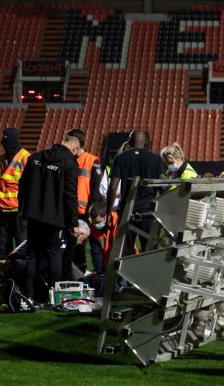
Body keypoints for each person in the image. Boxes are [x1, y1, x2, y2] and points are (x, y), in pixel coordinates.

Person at [17, 132, 82, 302]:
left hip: (32, 215)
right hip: (55, 218)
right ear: (74, 147)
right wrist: (73, 222)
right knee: (54, 255)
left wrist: (22, 208)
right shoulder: (69, 164)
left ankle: (29, 294)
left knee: (32, 254)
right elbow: (70, 195)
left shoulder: (36, 157)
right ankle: (53, 295)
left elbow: (22, 184)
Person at [106, 130, 166, 256]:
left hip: (127, 211)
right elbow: (162, 186)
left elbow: (113, 187)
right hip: (148, 212)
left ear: (129, 141)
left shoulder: (120, 158)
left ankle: (124, 276)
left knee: (125, 251)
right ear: (145, 142)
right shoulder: (156, 159)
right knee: (149, 250)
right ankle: (147, 275)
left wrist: (108, 211)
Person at [66, 128, 103, 276]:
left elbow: (95, 188)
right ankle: (73, 274)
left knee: (84, 245)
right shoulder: (68, 159)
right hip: (70, 210)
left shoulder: (92, 160)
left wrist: (91, 211)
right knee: (71, 246)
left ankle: (84, 274)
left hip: (84, 211)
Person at [0, 128, 30, 278]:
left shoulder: (25, 158)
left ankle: (23, 274)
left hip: (19, 211)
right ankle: (3, 274)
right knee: (2, 247)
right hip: (3, 210)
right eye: (3, 140)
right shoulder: (1, 159)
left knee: (22, 245)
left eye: (6, 139)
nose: (4, 143)